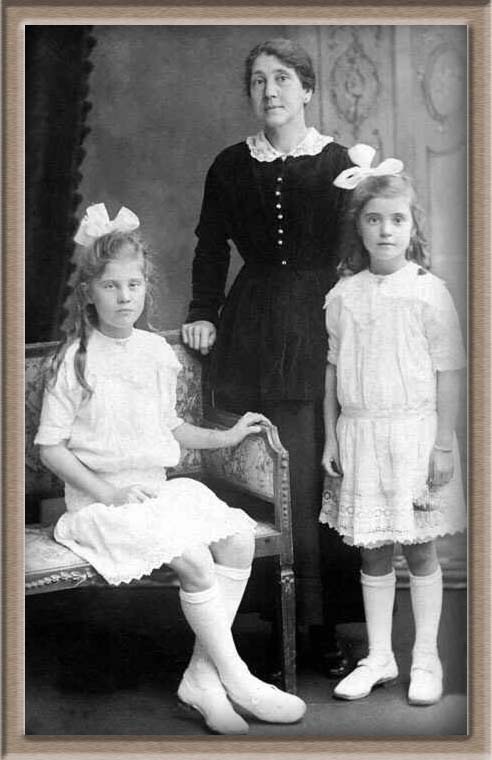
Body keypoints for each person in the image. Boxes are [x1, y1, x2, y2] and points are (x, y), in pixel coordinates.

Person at [34, 203, 306, 735]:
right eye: (111, 286)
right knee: (194, 559)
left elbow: (172, 427)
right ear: (89, 292)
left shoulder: (156, 352)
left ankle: (202, 679)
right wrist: (109, 495)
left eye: (133, 285)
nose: (124, 297)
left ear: (145, 289)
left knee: (237, 540)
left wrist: (226, 436)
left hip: (155, 493)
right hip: (100, 507)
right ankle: (238, 678)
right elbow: (51, 449)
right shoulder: (75, 359)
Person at [182, 37, 363, 677]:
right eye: (259, 80)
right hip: (251, 327)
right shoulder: (231, 165)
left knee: (311, 472)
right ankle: (255, 618)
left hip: (318, 325)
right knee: (256, 472)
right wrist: (202, 312)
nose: (270, 91)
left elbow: (362, 248)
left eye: (283, 78)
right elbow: (210, 246)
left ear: (307, 89)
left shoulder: (341, 164)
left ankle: (318, 626)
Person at [319, 144, 466, 705]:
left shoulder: (428, 291)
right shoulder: (343, 295)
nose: (385, 230)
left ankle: (426, 658)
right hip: (360, 435)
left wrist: (443, 445)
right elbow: (333, 372)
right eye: (374, 219)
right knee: (373, 549)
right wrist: (331, 437)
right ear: (358, 227)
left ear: (412, 227)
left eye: (397, 220)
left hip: (414, 435)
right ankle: (379, 656)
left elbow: (449, 371)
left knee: (420, 549)